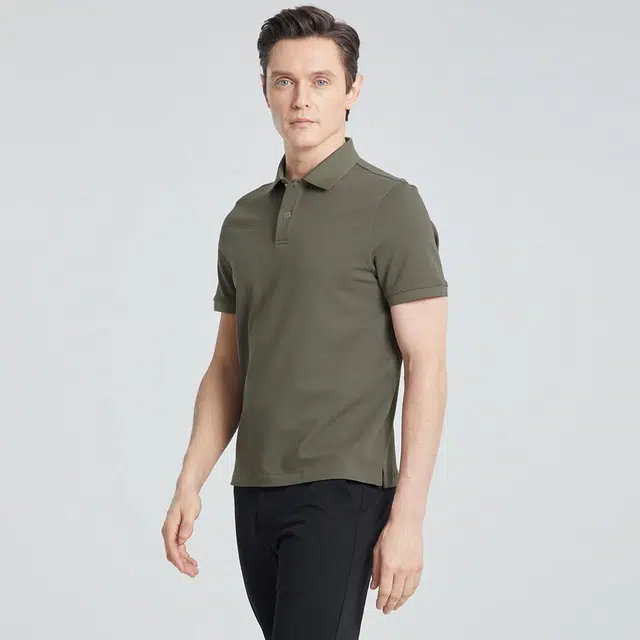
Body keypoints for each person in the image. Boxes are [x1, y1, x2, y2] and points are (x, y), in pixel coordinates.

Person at [161, 5, 449, 638]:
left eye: (321, 80)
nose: (301, 99)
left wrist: (408, 518)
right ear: (265, 89)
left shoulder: (391, 205)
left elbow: (427, 366)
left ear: (352, 90)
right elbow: (228, 367)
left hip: (343, 487)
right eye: (284, 80)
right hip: (255, 489)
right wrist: (190, 480)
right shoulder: (243, 220)